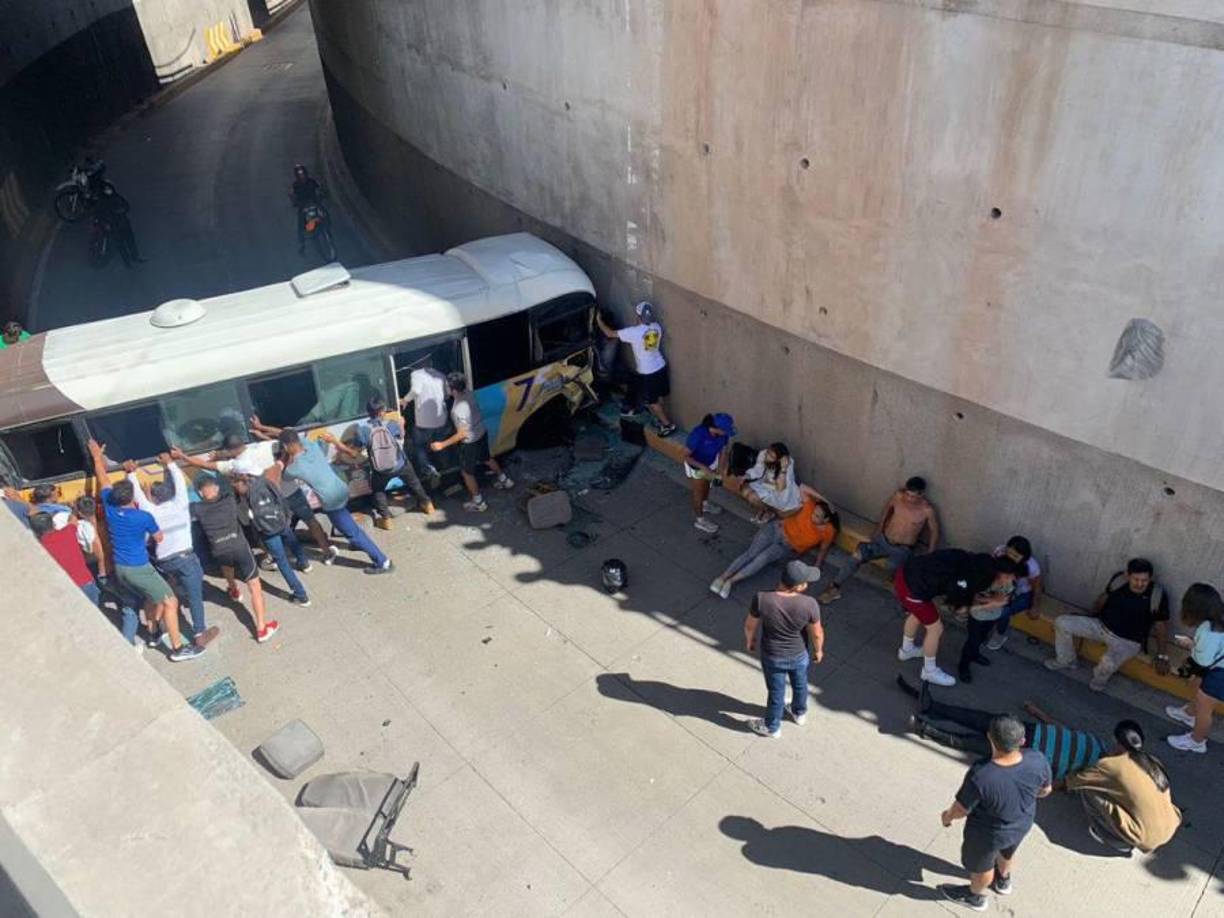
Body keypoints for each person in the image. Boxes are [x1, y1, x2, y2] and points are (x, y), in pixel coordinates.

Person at [86, 439, 201, 660]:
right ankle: (178, 649)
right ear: (132, 498)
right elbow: (158, 537)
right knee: (170, 600)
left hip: (120, 568)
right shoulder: (143, 517)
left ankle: (153, 633)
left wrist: (97, 457)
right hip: (139, 567)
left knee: (149, 597)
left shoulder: (110, 507)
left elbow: (102, 477)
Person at [937, 715, 1052, 911]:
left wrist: (947, 817)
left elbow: (961, 809)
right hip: (1023, 823)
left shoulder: (981, 775)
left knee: (982, 867)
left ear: (990, 738)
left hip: (988, 834)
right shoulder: (1037, 759)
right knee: (1007, 853)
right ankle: (1003, 880)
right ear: (1022, 741)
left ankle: (976, 896)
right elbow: (1045, 790)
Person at [248, 419, 394, 574]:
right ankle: (357, 541)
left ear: (285, 447)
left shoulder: (294, 468)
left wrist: (277, 449)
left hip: (331, 501)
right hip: (342, 490)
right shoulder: (310, 446)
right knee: (347, 522)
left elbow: (280, 471)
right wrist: (262, 427)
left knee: (352, 532)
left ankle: (382, 561)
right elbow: (284, 434)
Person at [898, 676, 1108, 780]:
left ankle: (926, 730)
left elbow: (1065, 783)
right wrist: (1037, 712)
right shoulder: (1098, 743)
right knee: (977, 719)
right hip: (1030, 730)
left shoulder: (1098, 775)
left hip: (1025, 752)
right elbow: (1064, 729)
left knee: (970, 743)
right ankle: (931, 707)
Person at [175, 436, 337, 564]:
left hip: (271, 499)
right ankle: (326, 551)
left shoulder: (236, 464)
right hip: (292, 490)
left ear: (229, 450)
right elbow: (285, 446)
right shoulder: (264, 446)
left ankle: (277, 558)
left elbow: (204, 465)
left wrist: (182, 456)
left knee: (273, 529)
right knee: (310, 521)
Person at [127, 455, 219, 649]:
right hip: (185, 558)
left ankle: (161, 624)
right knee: (195, 596)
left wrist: (131, 474)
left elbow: (138, 496)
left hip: (164, 562)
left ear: (155, 498)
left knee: (168, 592)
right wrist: (170, 463)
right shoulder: (181, 505)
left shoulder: (150, 511)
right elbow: (179, 483)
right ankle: (200, 632)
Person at [895, 550, 1023, 687]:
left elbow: (967, 594)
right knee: (936, 629)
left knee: (916, 615)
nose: (1009, 581)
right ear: (996, 575)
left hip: (906, 573)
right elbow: (960, 610)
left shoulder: (976, 563)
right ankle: (929, 671)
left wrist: (989, 599)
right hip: (912, 590)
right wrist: (992, 604)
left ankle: (907, 650)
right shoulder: (967, 581)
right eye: (1007, 577)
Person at [1044, 558, 1170, 691]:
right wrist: (1089, 617)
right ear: (1127, 575)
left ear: (1151, 578)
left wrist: (1161, 655)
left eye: (1144, 580)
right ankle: (1066, 660)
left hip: (1127, 642)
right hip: (1101, 626)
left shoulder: (1157, 595)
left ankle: (1099, 680)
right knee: (1062, 622)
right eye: (1136, 579)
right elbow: (1103, 598)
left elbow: (1161, 627)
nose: (1140, 584)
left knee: (1107, 663)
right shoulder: (1119, 581)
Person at [1064, 720, 1181, 854]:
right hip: (1169, 827)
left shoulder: (1111, 765)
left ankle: (1114, 838)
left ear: (1117, 742)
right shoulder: (1152, 761)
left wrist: (1048, 785)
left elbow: (1073, 782)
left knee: (1088, 788)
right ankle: (1130, 832)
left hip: (1143, 837)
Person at [819, 476, 939, 604]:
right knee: (857, 555)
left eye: (913, 497)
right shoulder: (898, 497)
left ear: (922, 495)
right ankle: (834, 587)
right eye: (907, 494)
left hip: (902, 548)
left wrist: (930, 554)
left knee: (892, 566)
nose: (909, 499)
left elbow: (934, 531)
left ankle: (895, 580)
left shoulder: (927, 510)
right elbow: (887, 509)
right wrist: (879, 528)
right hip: (882, 541)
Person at [191, 474, 279, 642]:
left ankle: (233, 589)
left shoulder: (197, 509)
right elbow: (237, 486)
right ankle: (261, 628)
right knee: (254, 586)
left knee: (227, 565)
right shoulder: (229, 500)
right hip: (239, 548)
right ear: (217, 489)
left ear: (200, 494)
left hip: (219, 549)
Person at [744, 561, 825, 738]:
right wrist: (818, 650)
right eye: (806, 582)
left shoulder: (762, 598)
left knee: (776, 692)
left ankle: (772, 726)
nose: (807, 584)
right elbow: (817, 633)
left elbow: (750, 625)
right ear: (798, 586)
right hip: (799, 655)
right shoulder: (809, 604)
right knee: (800, 684)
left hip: (772, 656)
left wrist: (750, 641)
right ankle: (799, 712)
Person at [710, 489, 836, 599]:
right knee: (751, 553)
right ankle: (722, 577)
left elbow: (823, 549)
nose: (813, 516)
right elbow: (803, 488)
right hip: (776, 529)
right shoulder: (810, 506)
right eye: (814, 512)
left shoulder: (828, 531)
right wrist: (825, 501)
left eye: (817, 516)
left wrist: (817, 565)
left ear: (826, 520)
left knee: (761, 559)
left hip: (785, 546)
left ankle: (731, 581)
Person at [337, 395, 434, 529]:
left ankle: (386, 519)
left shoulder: (363, 430)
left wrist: (335, 442)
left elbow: (354, 453)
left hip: (380, 470)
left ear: (368, 412)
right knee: (414, 482)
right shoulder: (391, 424)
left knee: (378, 491)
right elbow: (401, 437)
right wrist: (402, 425)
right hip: (399, 464)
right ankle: (428, 505)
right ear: (382, 411)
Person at [430, 372, 514, 513]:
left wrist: (441, 445)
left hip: (469, 443)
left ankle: (479, 502)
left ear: (453, 390)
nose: (445, 389)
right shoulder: (470, 393)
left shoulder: (457, 409)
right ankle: (505, 480)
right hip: (481, 432)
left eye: (447, 387)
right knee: (487, 458)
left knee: (467, 473)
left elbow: (462, 434)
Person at [957, 537, 1034, 683]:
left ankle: (975, 655)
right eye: (1007, 576)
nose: (1009, 580)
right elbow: (975, 598)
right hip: (977, 616)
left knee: (982, 637)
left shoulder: (1010, 583)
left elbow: (1005, 601)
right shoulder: (984, 580)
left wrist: (989, 602)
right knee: (972, 641)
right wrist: (990, 602)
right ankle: (963, 665)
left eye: (1012, 576)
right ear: (998, 573)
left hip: (992, 615)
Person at [595, 301, 676, 436]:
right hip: (660, 366)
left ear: (638, 316)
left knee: (652, 402)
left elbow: (609, 334)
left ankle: (667, 425)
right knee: (658, 397)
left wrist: (599, 320)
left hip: (648, 372)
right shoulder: (656, 327)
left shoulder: (634, 332)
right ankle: (659, 420)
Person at [233, 471, 312, 607]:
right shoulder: (264, 482)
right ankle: (304, 563)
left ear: (240, 484)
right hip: (281, 521)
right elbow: (280, 497)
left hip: (268, 532)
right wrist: (287, 517)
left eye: (236, 487)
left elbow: (246, 521)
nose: (237, 491)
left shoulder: (244, 499)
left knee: (282, 561)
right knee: (293, 544)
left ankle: (301, 596)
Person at [1164, 583, 1224, 754]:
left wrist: (1190, 645)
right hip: (1219, 667)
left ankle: (1197, 741)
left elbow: (1204, 661)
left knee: (1205, 707)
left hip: (1220, 672)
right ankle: (1190, 713)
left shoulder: (1209, 631)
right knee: (1199, 691)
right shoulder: (1219, 619)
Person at [29, 511, 103, 607]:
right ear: (53, 524)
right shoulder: (68, 532)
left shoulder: (39, 548)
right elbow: (73, 519)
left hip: (66, 590)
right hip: (86, 583)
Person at [985, 536, 1043, 651]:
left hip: (1023, 593)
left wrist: (1035, 606)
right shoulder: (1000, 551)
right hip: (1002, 586)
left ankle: (1000, 634)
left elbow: (1037, 587)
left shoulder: (1031, 567)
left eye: (1016, 556)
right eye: (1009, 553)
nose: (1011, 557)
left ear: (1024, 557)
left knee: (1004, 611)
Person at [683, 413, 735, 534]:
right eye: (726, 430)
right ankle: (700, 521)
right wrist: (704, 468)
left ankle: (705, 504)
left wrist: (719, 472)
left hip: (711, 464)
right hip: (697, 467)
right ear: (716, 428)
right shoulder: (698, 435)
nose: (727, 433)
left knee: (707, 486)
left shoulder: (723, 435)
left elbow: (723, 452)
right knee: (698, 493)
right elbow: (686, 456)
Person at [400, 363, 449, 484]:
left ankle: (429, 470)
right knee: (440, 444)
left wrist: (405, 400)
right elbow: (447, 394)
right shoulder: (440, 375)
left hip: (424, 422)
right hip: (440, 419)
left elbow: (415, 390)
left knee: (419, 446)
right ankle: (446, 468)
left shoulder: (416, 374)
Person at [738, 442, 802, 524]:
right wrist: (745, 476)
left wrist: (783, 469)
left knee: (752, 497)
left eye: (771, 456)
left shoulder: (786, 466)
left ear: (778, 460)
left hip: (780, 492)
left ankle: (768, 512)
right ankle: (763, 509)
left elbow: (781, 488)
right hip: (766, 484)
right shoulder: (764, 454)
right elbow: (758, 470)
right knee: (744, 491)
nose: (767, 456)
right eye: (768, 452)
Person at [93, 185, 143, 266]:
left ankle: (135, 257)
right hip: (114, 226)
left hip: (123, 223)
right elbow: (99, 213)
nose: (108, 191)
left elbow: (126, 206)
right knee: (121, 244)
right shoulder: (102, 201)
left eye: (109, 189)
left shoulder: (117, 197)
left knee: (130, 241)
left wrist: (121, 210)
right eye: (106, 189)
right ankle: (127, 262)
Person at [289, 163, 325, 253]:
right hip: (304, 207)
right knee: (301, 224)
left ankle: (327, 228)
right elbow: (292, 195)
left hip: (315, 203)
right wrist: (295, 202)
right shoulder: (295, 185)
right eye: (299, 174)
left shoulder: (312, 181)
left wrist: (322, 194)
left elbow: (320, 188)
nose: (302, 176)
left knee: (324, 213)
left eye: (303, 174)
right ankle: (302, 244)